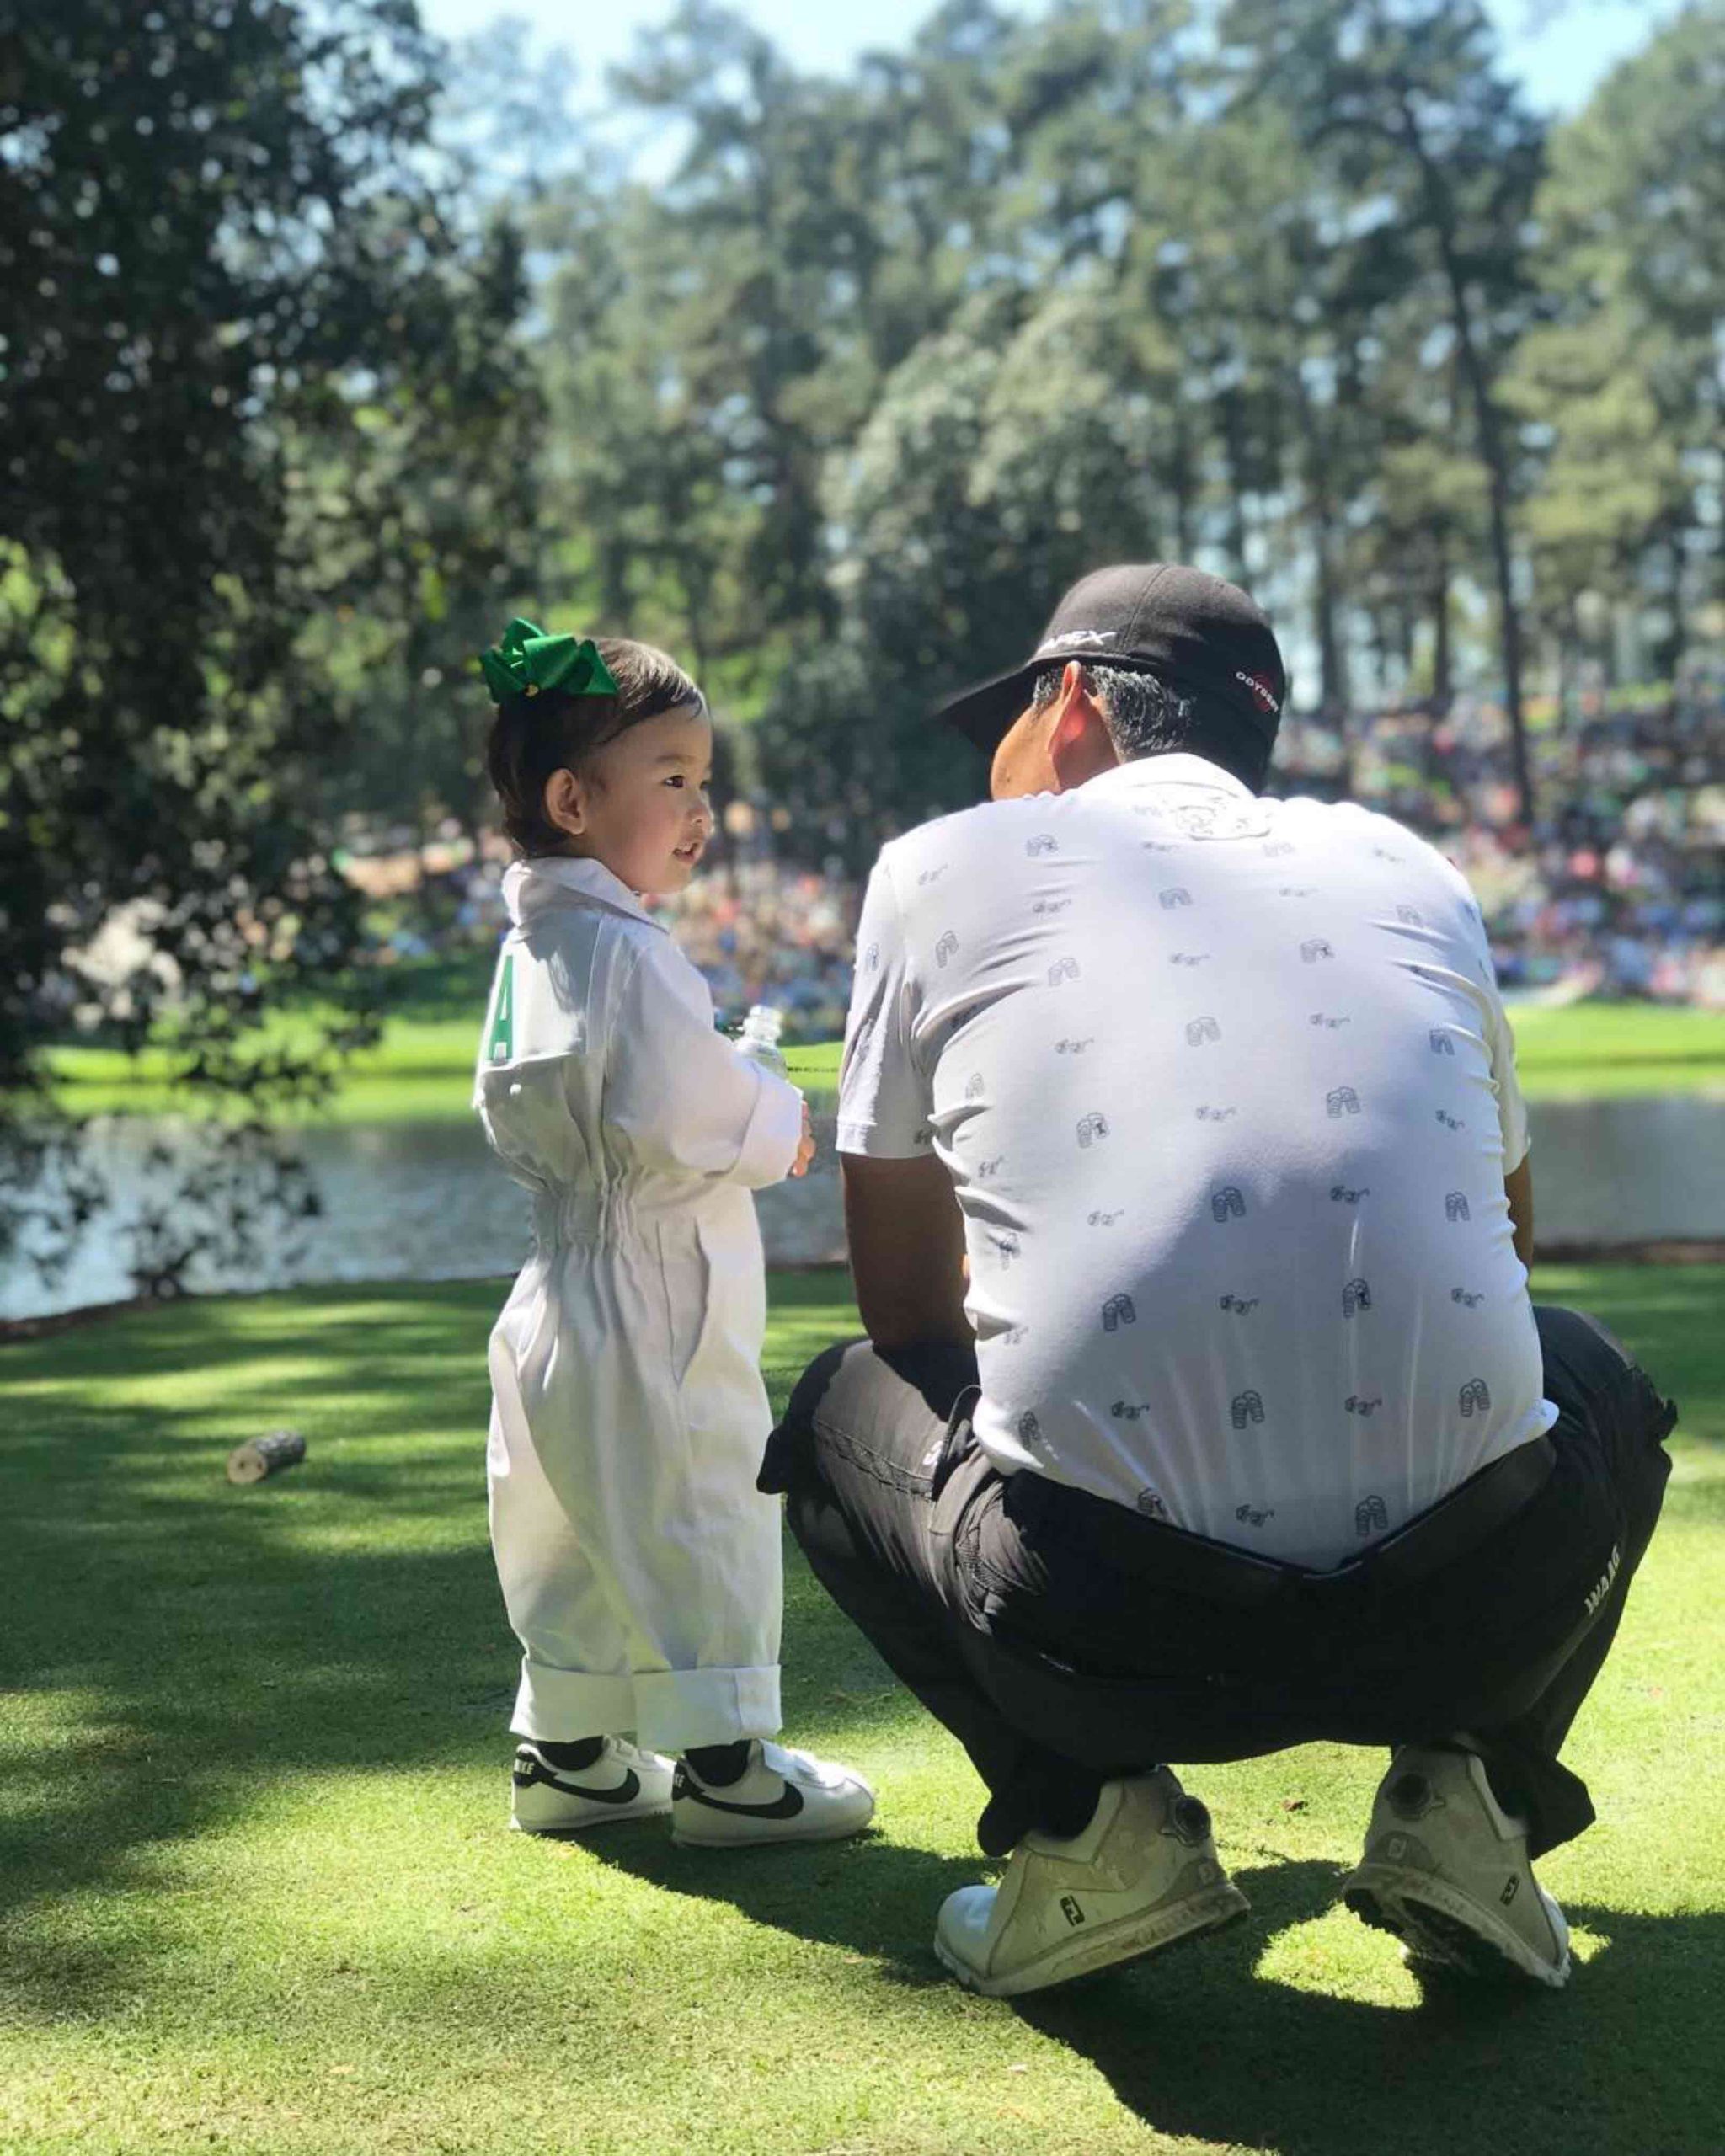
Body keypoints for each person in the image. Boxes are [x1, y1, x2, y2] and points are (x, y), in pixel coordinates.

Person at [762, 565, 1675, 1996]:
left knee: (837, 1406)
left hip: (1110, 1634)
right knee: (1596, 1374)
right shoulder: (1409, 867)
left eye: (1008, 714)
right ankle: (1472, 1804)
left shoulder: (934, 868)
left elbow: (906, 1314)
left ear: (1070, 705)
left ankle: (1089, 1828)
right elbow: (1507, 1247)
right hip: (1476, 1605)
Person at [473, 619, 874, 1848]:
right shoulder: (632, 951)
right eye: (674, 780)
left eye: (705, 781)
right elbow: (679, 1105)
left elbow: (521, 1101)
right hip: (654, 1279)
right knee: (698, 1492)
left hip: (556, 1283)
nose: (702, 809)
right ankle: (727, 1768)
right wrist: (778, 1118)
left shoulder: (531, 943)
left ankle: (573, 1749)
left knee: (567, 1509)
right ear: (571, 798)